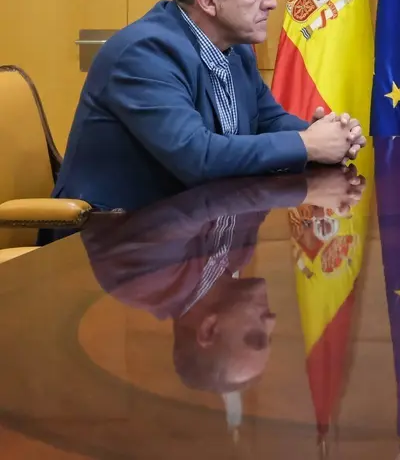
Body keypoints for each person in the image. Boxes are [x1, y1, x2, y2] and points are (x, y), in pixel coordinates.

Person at [52, 0, 364, 213]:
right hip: (112, 240)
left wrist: (328, 138)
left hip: (192, 227)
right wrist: (307, 144)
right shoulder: (143, 54)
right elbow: (196, 156)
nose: (271, 2)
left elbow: (268, 120)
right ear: (208, 2)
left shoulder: (236, 48)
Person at [80, 164, 366, 395]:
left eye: (255, 336)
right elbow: (256, 185)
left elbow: (205, 201)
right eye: (270, 336)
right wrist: (311, 163)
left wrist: (304, 188)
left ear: (208, 330)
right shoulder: (234, 262)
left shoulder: (141, 281)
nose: (272, 321)